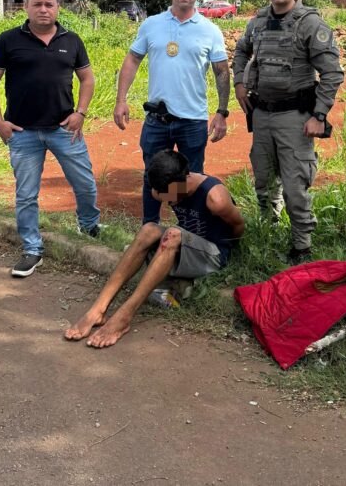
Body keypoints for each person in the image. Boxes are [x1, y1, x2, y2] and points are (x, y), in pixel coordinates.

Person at [64, 149, 245, 348]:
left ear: (185, 178)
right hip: (184, 247)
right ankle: (97, 310)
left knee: (173, 234)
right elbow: (163, 205)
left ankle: (124, 316)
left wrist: (233, 256)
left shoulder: (215, 198)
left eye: (173, 195)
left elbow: (238, 226)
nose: (168, 200)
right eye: (164, 195)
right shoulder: (162, 189)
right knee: (148, 230)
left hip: (213, 254)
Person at [0, 0, 102, 278]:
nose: (44, 9)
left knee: (85, 183)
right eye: (37, 4)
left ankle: (88, 226)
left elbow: (87, 79)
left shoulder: (71, 40)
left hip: (64, 129)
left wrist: (80, 113)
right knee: (26, 195)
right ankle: (32, 249)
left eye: (49, 4)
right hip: (22, 133)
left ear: (58, 8)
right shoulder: (8, 41)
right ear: (26, 8)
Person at [232, 0, 344, 265]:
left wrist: (319, 115)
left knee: (295, 186)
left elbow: (332, 73)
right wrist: (239, 83)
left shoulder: (310, 23)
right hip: (262, 114)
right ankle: (267, 233)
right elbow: (241, 50)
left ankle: (301, 246)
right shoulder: (257, 22)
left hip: (295, 118)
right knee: (264, 180)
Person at [114, 0, 231, 224]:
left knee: (191, 179)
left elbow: (221, 71)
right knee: (153, 176)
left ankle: (190, 230)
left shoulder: (210, 30)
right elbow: (133, 59)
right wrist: (121, 100)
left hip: (192, 121)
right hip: (157, 120)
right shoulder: (151, 24)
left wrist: (222, 112)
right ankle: (150, 228)